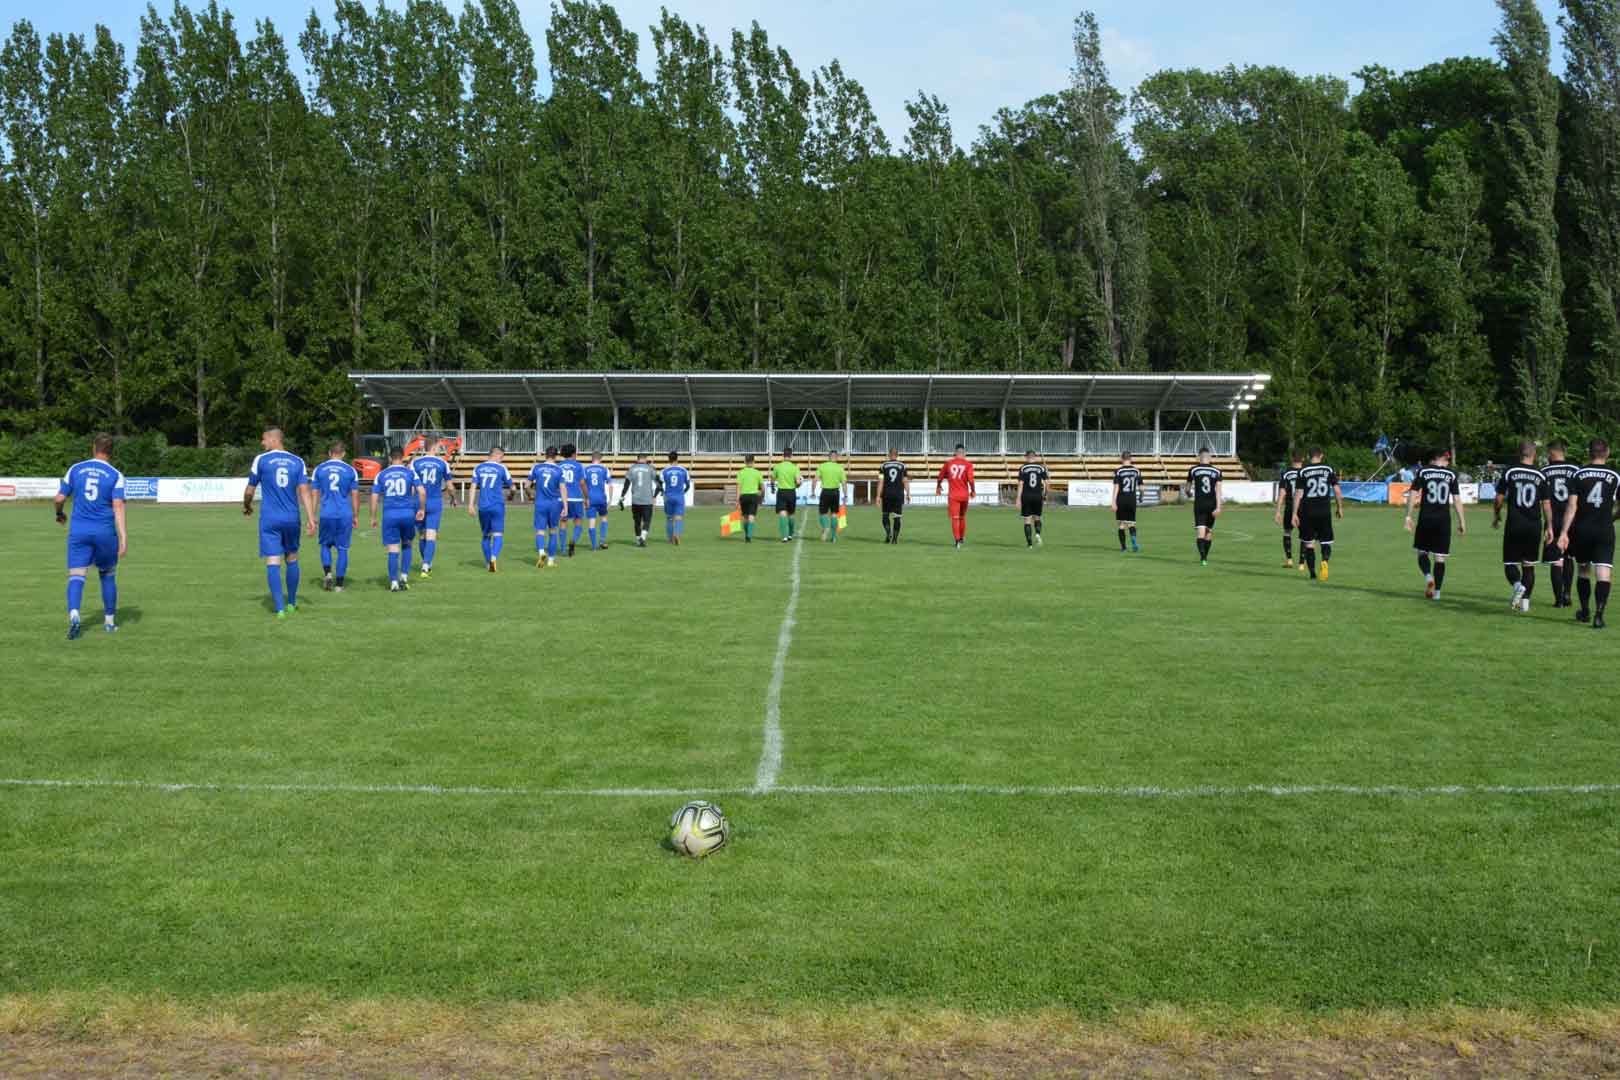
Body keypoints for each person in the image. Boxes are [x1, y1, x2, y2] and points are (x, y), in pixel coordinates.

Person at [55, 433, 127, 638]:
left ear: (93, 448)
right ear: (111, 452)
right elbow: (118, 507)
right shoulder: (116, 475)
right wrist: (123, 537)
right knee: (107, 575)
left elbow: (59, 498)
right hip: (105, 533)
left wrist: (59, 513)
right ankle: (109, 623)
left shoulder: (75, 469)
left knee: (76, 576)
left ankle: (75, 616)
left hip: (79, 532)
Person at [244, 427, 314, 617]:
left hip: (270, 518)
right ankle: (291, 603)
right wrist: (311, 518)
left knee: (273, 559)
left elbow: (250, 490)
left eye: (264, 439)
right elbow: (304, 492)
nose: (262, 443)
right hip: (292, 518)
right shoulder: (297, 461)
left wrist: (247, 505)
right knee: (292, 558)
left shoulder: (261, 459)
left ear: (274, 440)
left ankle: (280, 609)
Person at [1556, 438, 1619, 629]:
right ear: (1607, 452)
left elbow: (1572, 506)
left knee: (1584, 570)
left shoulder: (1578, 474)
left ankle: (1584, 611)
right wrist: (1612, 517)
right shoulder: (1615, 476)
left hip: (1582, 529)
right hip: (1604, 529)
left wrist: (1564, 532)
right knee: (1603, 571)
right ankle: (1599, 615)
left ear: (1588, 453)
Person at [1492, 442, 1549, 613]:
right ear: (1534, 454)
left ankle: (1518, 586)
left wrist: (1497, 515)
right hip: (1534, 526)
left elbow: (1499, 498)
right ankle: (1525, 604)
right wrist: (1550, 526)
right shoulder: (1540, 475)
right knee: (1529, 566)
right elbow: (1546, 504)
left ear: (1519, 453)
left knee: (1510, 563)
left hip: (1514, 524)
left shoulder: (1510, 471)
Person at [1404, 448, 1466, 601]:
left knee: (1422, 552)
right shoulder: (1451, 474)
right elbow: (1456, 499)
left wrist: (1408, 516)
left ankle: (1428, 577)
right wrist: (1462, 521)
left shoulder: (1423, 472)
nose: (1448, 462)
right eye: (1446, 459)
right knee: (1440, 557)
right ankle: (1437, 593)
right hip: (1443, 521)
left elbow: (1413, 493)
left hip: (1426, 519)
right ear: (1439, 458)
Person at [370, 447, 425, 591]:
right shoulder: (410, 473)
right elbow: (422, 492)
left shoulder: (381, 474)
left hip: (390, 515)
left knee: (393, 548)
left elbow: (374, 497)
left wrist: (373, 516)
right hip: (407, 514)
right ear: (403, 457)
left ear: (390, 458)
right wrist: (421, 509)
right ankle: (404, 577)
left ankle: (394, 582)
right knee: (407, 544)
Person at [311, 442, 360, 592]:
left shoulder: (319, 469)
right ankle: (339, 585)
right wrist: (355, 515)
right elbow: (355, 495)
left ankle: (328, 574)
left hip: (326, 514)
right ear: (343, 453)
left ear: (329, 453)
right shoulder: (350, 470)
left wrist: (312, 515)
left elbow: (314, 494)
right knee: (343, 549)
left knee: (325, 545)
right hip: (344, 514)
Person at [1291, 447, 1344, 581]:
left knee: (1309, 543)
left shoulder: (1303, 471)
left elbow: (1298, 494)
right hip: (1324, 511)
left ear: (1309, 457)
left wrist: (1294, 513)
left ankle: (1313, 574)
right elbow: (1337, 491)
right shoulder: (1328, 469)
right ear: (1321, 455)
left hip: (1308, 512)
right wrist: (1339, 508)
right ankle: (1324, 561)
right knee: (1325, 541)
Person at [1540, 440, 1580, 608]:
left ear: (1552, 452)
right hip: (1571, 520)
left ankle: (1558, 600)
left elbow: (1542, 500)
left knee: (1556, 560)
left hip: (1553, 519)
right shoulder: (1575, 470)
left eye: (1548, 452)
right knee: (1569, 557)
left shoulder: (1544, 472)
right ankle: (1567, 594)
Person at [410, 446, 455, 577]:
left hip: (419, 501)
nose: (440, 449)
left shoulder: (415, 463)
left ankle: (426, 563)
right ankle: (426, 565)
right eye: (439, 446)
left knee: (422, 535)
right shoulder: (443, 463)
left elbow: (411, 485)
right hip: (435, 502)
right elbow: (450, 486)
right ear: (434, 447)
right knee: (431, 534)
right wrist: (453, 498)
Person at [469, 447, 513, 572]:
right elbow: (513, 487)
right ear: (496, 455)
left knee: (486, 536)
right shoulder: (502, 468)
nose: (502, 460)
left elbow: (473, 487)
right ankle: (493, 558)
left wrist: (471, 505)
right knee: (498, 534)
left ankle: (488, 563)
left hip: (483, 506)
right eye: (501, 457)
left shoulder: (478, 468)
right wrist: (511, 495)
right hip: (497, 505)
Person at [528, 446, 564, 568]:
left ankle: (541, 552)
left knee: (540, 531)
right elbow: (563, 488)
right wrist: (565, 506)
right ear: (556, 456)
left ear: (545, 455)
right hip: (554, 504)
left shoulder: (536, 467)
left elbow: (527, 485)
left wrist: (530, 495)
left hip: (540, 503)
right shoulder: (559, 470)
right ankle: (551, 561)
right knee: (553, 531)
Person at [1186, 447, 1223, 566]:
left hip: (1199, 504)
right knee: (1208, 532)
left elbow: (1187, 489)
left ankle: (1203, 558)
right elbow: (1218, 491)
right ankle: (1205, 557)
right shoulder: (1217, 471)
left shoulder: (1193, 470)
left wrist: (1189, 493)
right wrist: (1219, 507)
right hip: (1212, 504)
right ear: (1209, 457)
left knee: (1200, 532)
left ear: (1199, 457)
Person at [935, 444, 975, 550]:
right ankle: (961, 538)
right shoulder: (968, 465)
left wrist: (938, 486)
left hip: (953, 496)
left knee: (955, 518)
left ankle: (957, 541)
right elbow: (971, 480)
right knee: (962, 517)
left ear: (955, 452)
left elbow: (940, 477)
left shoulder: (948, 464)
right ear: (964, 453)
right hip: (964, 495)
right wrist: (973, 491)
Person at [618, 452, 658, 547]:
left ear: (638, 458)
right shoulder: (650, 468)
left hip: (636, 500)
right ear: (645, 458)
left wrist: (622, 496)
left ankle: (638, 540)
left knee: (637, 521)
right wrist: (655, 495)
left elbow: (626, 484)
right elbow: (659, 483)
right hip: (647, 499)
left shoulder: (632, 468)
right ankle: (642, 538)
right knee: (647, 520)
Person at [1275, 451, 1304, 569]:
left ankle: (1289, 560)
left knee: (1287, 532)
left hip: (1290, 506)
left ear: (1291, 459)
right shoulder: (1306, 472)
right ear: (1303, 459)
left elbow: (1282, 493)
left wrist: (1278, 511)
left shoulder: (1286, 473)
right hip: (1304, 506)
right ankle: (1302, 564)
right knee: (1305, 535)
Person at [558, 444, 587, 556]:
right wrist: (586, 497)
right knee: (578, 521)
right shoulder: (578, 466)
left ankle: (563, 549)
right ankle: (573, 540)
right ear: (574, 454)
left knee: (563, 522)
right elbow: (582, 483)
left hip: (562, 498)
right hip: (576, 498)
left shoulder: (558, 466)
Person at [1017, 450, 1049, 548]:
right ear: (1035, 457)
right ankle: (1038, 534)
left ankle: (1029, 544)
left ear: (1026, 457)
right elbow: (1047, 483)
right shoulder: (1041, 468)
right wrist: (1045, 495)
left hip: (1026, 496)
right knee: (1037, 517)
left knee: (1027, 520)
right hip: (1038, 496)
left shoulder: (1023, 468)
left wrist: (1018, 498)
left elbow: (1021, 484)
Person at [658, 450, 691, 545]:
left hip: (668, 496)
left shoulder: (664, 471)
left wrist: (662, 492)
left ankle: (670, 538)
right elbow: (688, 485)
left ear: (669, 459)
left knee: (669, 518)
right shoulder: (683, 470)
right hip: (679, 496)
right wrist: (683, 492)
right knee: (679, 517)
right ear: (677, 458)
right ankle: (677, 534)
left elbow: (659, 484)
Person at [583, 450, 613, 550]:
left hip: (590, 498)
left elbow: (582, 485)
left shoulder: (586, 469)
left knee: (592, 521)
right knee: (604, 518)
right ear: (600, 459)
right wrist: (610, 500)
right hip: (601, 498)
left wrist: (584, 499)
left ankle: (594, 546)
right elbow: (610, 485)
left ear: (591, 458)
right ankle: (602, 541)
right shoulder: (604, 469)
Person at [1112, 452, 1142, 553]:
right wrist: (1141, 496)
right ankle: (1134, 540)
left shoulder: (1118, 471)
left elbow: (1116, 487)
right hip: (1132, 499)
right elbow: (1141, 487)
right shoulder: (1137, 471)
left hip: (1121, 499)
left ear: (1121, 459)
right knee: (1131, 523)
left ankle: (1124, 548)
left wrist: (1113, 501)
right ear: (1131, 459)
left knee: (1121, 524)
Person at [877, 448, 908, 544]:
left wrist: (878, 496)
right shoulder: (903, 466)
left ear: (889, 455)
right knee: (897, 517)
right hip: (898, 494)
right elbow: (905, 481)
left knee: (885, 515)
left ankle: (888, 533)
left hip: (887, 494)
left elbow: (881, 481)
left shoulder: (883, 466)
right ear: (897, 455)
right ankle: (894, 539)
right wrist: (908, 493)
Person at [816, 450, 847, 542]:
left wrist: (813, 491)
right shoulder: (840, 468)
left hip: (825, 491)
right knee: (834, 514)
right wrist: (845, 495)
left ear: (829, 457)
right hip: (835, 492)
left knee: (823, 513)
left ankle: (826, 527)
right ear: (836, 457)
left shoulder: (822, 466)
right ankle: (833, 537)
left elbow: (815, 479)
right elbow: (844, 483)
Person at [772, 448, 801, 543]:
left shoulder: (777, 467)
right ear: (791, 455)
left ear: (783, 455)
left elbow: (772, 479)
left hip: (781, 492)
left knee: (782, 513)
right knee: (791, 514)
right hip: (791, 492)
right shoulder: (795, 467)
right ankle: (790, 534)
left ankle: (784, 536)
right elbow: (798, 482)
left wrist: (772, 488)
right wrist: (798, 484)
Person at [735, 454, 765, 543]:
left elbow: (738, 487)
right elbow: (763, 488)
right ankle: (749, 536)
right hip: (753, 496)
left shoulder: (741, 472)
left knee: (745, 517)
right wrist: (762, 497)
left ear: (745, 461)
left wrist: (737, 500)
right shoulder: (757, 472)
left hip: (744, 496)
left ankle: (746, 535)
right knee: (751, 516)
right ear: (753, 461)